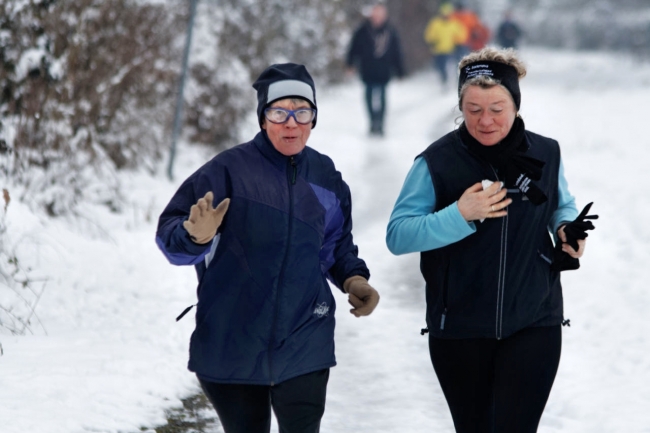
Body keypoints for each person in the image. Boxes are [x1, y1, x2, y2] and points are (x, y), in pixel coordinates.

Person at [156, 63, 380, 433]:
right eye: (279, 112)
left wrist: (354, 279)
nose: (291, 122)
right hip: (233, 338)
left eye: (302, 111)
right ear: (263, 118)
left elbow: (336, 246)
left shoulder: (325, 177)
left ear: (313, 119)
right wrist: (195, 236)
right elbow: (172, 242)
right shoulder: (227, 171)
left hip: (306, 337)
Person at [386, 47, 596, 432]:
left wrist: (567, 229)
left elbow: (560, 206)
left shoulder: (546, 152)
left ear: (515, 104)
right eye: (473, 109)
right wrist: (459, 214)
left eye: (497, 108)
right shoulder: (436, 161)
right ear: (460, 107)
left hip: (535, 319)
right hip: (460, 329)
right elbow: (398, 235)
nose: (485, 121)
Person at [346, 3, 405, 136]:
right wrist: (350, 64)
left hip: (384, 70)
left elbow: (397, 52)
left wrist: (400, 70)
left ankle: (381, 123)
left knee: (383, 96)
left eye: (380, 14)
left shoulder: (390, 31)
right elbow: (353, 48)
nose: (378, 17)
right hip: (367, 69)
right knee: (368, 95)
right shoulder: (362, 30)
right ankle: (372, 121)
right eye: (376, 13)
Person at [423, 2, 468, 89]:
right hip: (438, 50)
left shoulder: (454, 23)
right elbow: (429, 34)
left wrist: (458, 42)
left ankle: (454, 80)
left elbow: (462, 34)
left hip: (451, 50)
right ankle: (444, 80)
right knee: (440, 67)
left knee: (453, 66)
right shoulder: (435, 23)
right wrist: (432, 41)